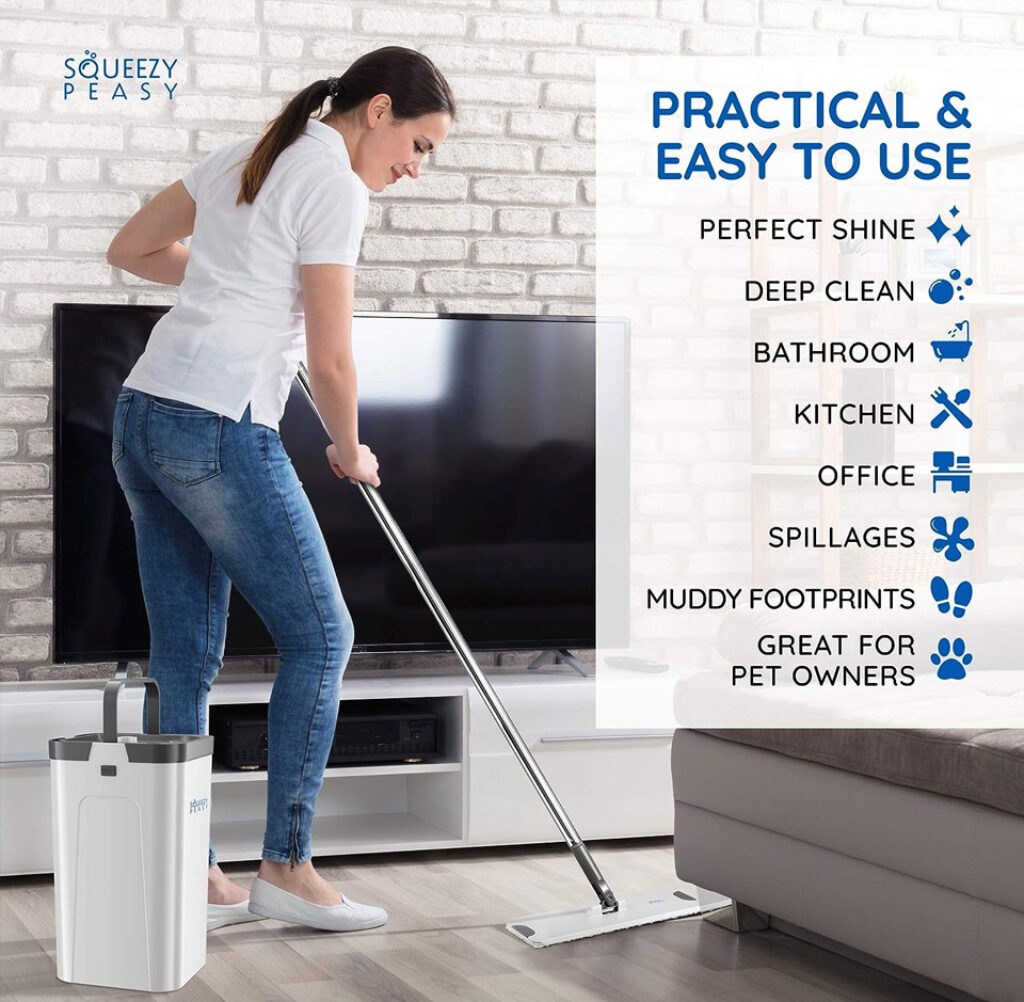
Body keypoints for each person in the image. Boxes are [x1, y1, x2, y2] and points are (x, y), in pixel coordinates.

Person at [105, 46, 454, 933]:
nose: (415, 169)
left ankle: (189, 871)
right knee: (323, 635)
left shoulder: (249, 152)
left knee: (183, 656)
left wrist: (237, 282)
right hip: (217, 423)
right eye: (419, 145)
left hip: (145, 413)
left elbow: (132, 249)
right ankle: (287, 865)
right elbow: (333, 357)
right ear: (377, 110)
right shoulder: (333, 181)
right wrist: (349, 448)